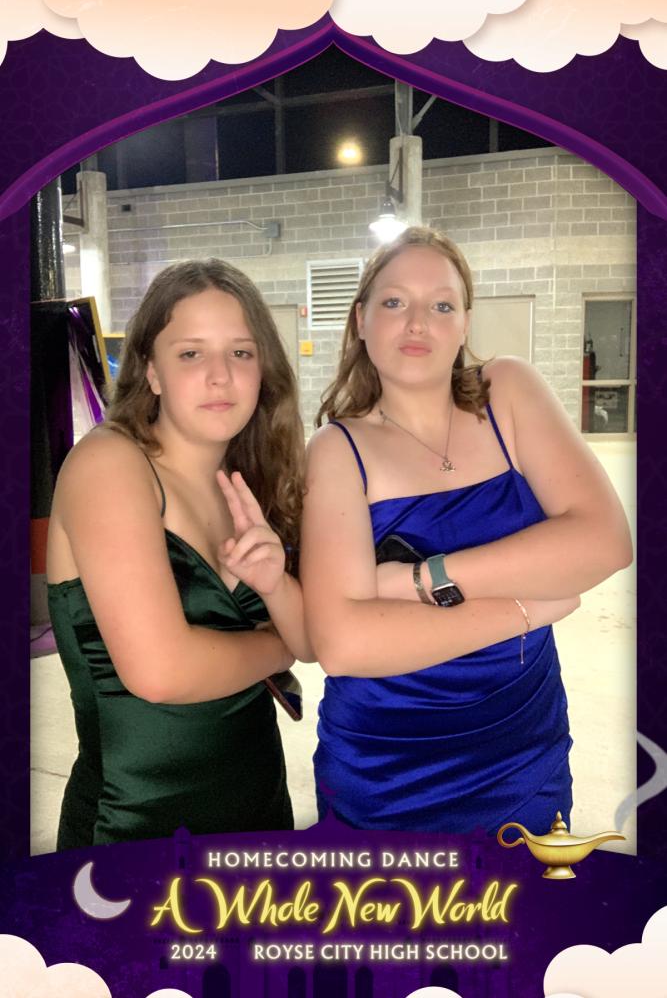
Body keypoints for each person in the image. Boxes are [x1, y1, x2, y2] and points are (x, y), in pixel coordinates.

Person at [301, 226, 632, 834]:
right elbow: (344, 644)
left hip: (523, 749)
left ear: (465, 323)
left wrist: (419, 580)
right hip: (388, 766)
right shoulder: (335, 448)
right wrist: (528, 608)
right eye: (394, 302)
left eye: (441, 305)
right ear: (361, 320)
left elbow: (605, 541)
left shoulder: (507, 392)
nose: (417, 322)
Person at [46, 258, 312, 848]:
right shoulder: (111, 465)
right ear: (152, 371)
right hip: (136, 826)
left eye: (240, 352)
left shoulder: (253, 478)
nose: (220, 376)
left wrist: (278, 591)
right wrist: (278, 645)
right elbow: (161, 672)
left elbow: (315, 640)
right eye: (191, 353)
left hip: (258, 805)